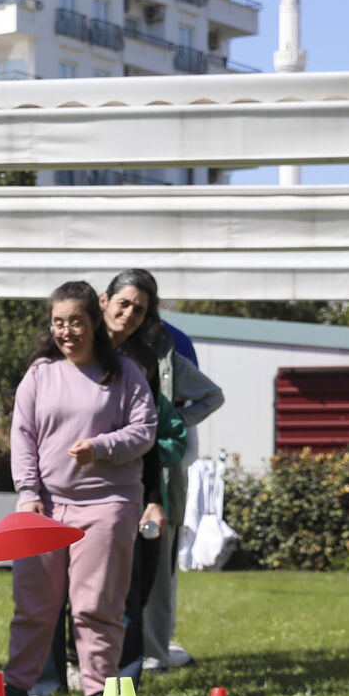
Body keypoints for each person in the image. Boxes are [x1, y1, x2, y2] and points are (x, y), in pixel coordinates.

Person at [4, 281, 155, 696]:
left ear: (94, 322)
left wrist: (101, 446)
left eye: (75, 322)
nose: (66, 331)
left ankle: (99, 695)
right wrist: (29, 493)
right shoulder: (39, 374)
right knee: (33, 603)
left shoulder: (125, 374)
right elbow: (23, 437)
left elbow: (145, 431)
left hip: (108, 504)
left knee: (96, 606)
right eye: (58, 323)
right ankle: (16, 689)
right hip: (45, 506)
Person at [98, 270, 223, 673]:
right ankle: (92, 655)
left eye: (140, 306)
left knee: (155, 568)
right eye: (124, 303)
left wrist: (170, 421)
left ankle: (152, 649)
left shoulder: (168, 347)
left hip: (158, 480)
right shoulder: (86, 343)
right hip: (101, 477)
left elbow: (210, 395)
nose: (131, 312)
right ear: (105, 301)